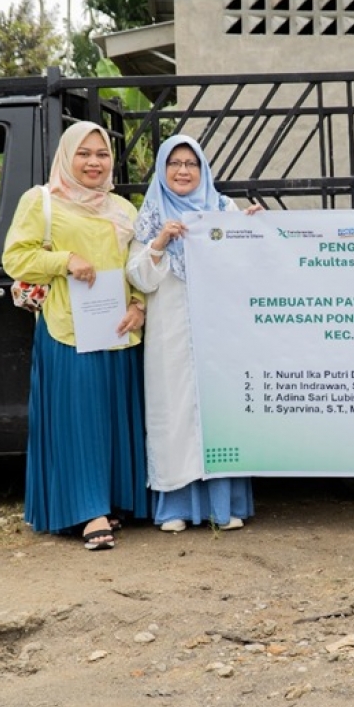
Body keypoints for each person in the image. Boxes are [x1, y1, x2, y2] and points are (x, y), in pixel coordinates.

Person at [3, 121, 150, 551]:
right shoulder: (43, 201)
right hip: (69, 329)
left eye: (101, 154)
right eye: (84, 153)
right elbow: (15, 257)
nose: (93, 162)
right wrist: (65, 260)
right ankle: (88, 512)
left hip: (117, 329)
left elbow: (136, 264)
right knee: (79, 419)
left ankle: (112, 501)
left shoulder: (123, 209)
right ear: (67, 156)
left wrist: (139, 304)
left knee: (111, 418)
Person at [128, 135, 263, 533]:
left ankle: (225, 505)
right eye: (175, 163)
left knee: (217, 410)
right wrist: (159, 243)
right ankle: (176, 507)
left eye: (191, 163)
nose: (183, 171)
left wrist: (254, 230)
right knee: (175, 414)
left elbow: (248, 265)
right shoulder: (151, 214)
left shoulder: (222, 209)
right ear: (163, 170)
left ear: (203, 170)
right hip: (169, 334)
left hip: (219, 330)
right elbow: (139, 278)